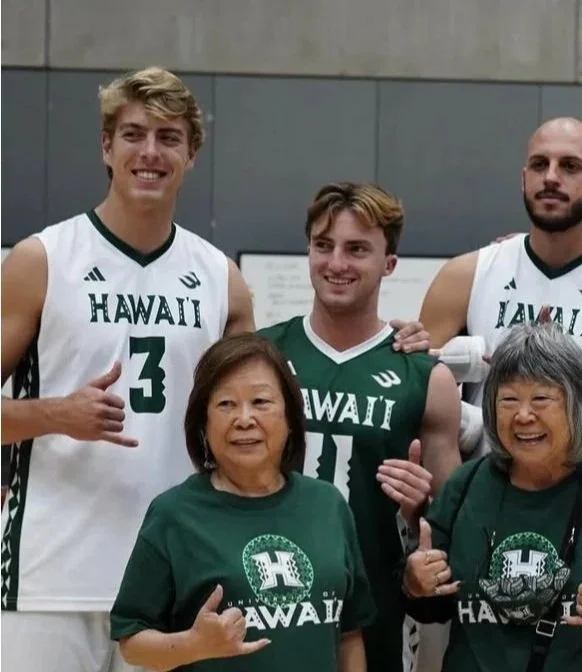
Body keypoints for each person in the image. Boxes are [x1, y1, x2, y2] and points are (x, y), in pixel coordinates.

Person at [1, 67, 254, 672]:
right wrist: (54, 414)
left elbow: (257, 426)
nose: (150, 152)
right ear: (106, 148)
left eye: (169, 137)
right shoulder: (42, 259)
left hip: (174, 577)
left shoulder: (222, 280)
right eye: (134, 134)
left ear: (191, 155)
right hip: (50, 576)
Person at [259, 182, 462, 672]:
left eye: (357, 250)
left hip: (376, 611)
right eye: (323, 246)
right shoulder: (261, 357)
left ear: (389, 263)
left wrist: (420, 510)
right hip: (264, 594)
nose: (336, 264)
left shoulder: (426, 377)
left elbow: (449, 528)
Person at [111, 333, 376, 672]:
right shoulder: (173, 515)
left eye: (261, 402)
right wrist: (192, 646)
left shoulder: (328, 504)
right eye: (226, 404)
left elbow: (349, 632)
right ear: (203, 425)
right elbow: (131, 640)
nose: (244, 419)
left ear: (291, 418)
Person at [403, 322, 582, 672]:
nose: (524, 416)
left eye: (542, 399)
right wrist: (414, 583)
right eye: (509, 400)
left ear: (576, 404)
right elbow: (431, 609)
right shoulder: (466, 484)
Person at [419, 116, 582, 454]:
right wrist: (471, 425)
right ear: (524, 180)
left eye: (570, 166)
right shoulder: (465, 275)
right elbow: (414, 391)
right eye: (540, 164)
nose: (551, 177)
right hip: (487, 492)